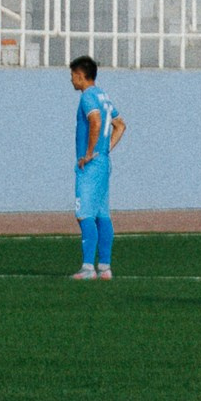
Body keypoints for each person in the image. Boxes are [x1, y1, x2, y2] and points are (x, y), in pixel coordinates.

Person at [69, 54, 125, 280]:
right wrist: (105, 149)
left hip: (91, 165)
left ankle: (87, 268)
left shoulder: (88, 98)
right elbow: (120, 125)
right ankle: (105, 267)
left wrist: (90, 152)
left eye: (72, 76)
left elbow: (96, 121)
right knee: (102, 214)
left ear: (81, 76)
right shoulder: (104, 96)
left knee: (84, 214)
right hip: (104, 162)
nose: (71, 80)